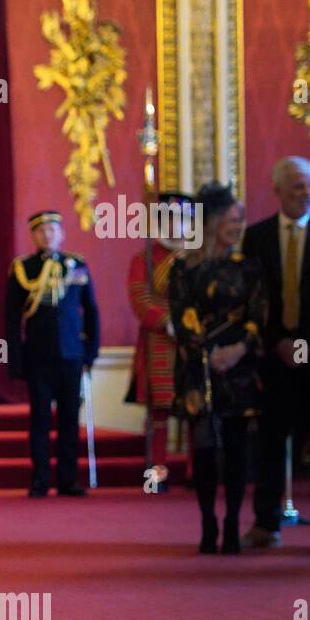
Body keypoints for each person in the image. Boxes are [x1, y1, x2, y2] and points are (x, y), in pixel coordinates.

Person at [242, 157, 310, 553]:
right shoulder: (256, 237)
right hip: (275, 354)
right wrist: (278, 342)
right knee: (272, 439)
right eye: (297, 187)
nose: (307, 194)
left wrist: (303, 343)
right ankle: (266, 523)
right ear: (278, 191)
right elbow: (252, 297)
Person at [168, 183, 266, 554]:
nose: (240, 226)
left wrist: (239, 349)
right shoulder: (183, 267)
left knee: (239, 451)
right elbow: (182, 317)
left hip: (241, 370)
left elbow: (259, 315)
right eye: (233, 219)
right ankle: (208, 522)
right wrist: (211, 354)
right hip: (200, 371)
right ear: (211, 222)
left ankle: (232, 523)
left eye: (241, 219)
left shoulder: (250, 267)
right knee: (206, 450)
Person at [5, 211, 100, 497]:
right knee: (40, 420)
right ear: (34, 235)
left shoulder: (77, 265)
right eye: (42, 230)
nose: (48, 235)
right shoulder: (24, 268)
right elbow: (11, 317)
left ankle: (68, 479)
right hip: (38, 356)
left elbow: (91, 311)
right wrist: (15, 359)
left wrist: (91, 352)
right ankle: (40, 478)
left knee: (70, 418)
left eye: (53, 229)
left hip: (71, 354)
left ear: (61, 234)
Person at [126, 192, 193, 490]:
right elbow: (140, 298)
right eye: (168, 218)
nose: (174, 224)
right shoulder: (144, 259)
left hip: (195, 340)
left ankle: (197, 473)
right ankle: (156, 474)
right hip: (160, 342)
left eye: (181, 218)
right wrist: (167, 323)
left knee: (196, 407)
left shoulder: (199, 256)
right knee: (159, 412)